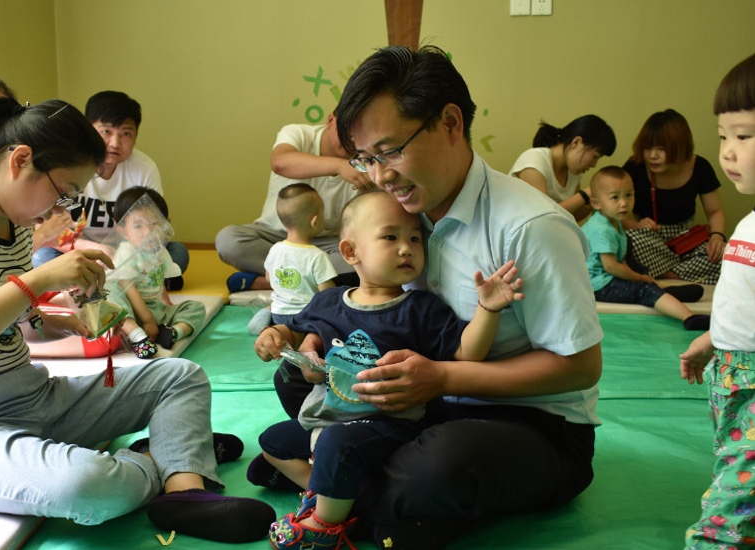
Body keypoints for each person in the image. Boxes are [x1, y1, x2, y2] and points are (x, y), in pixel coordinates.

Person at [0, 96, 274, 543]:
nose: (59, 209)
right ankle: (167, 455)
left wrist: (60, 322)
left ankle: (184, 490)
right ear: (20, 161)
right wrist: (38, 279)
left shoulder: (13, 224)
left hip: (27, 394)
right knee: (90, 486)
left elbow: (13, 327)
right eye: (63, 191)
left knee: (180, 375)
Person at [266, 44, 604, 549]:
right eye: (366, 159)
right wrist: (318, 342)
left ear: (449, 123)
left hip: (530, 423)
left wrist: (442, 377)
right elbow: (377, 310)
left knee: (439, 466)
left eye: (390, 151)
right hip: (426, 406)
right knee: (294, 374)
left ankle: (328, 481)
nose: (379, 176)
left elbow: (580, 367)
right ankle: (363, 492)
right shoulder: (403, 209)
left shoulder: (530, 227)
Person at [252, 190, 525, 549]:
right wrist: (274, 335)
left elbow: (467, 352)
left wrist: (487, 310)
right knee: (272, 443)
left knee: (335, 444)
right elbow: (295, 329)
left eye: (415, 239)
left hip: (392, 423)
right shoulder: (328, 301)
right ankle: (336, 497)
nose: (406, 248)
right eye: (391, 237)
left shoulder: (420, 308)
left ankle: (324, 528)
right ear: (351, 252)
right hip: (330, 416)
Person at [679, 52, 755, 550]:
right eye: (723, 135)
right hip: (731, 374)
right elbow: (745, 303)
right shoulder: (749, 223)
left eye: (744, 136)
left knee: (735, 494)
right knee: (735, 465)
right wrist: (713, 338)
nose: (727, 152)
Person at [32, 91, 189, 288]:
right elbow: (49, 234)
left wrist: (125, 253)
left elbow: (154, 224)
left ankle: (102, 282)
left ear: (136, 136)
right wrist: (96, 249)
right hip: (78, 249)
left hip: (129, 251)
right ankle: (141, 283)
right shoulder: (67, 165)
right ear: (88, 130)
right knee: (42, 256)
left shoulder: (145, 169)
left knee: (178, 252)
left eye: (126, 134)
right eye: (106, 131)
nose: (115, 143)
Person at [215, 112, 375, 292]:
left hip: (326, 243)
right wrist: (339, 165)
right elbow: (279, 162)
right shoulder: (298, 134)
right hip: (275, 236)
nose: (352, 140)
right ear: (330, 120)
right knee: (228, 240)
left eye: (360, 134)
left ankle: (270, 282)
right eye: (347, 131)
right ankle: (313, 280)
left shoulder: (367, 157)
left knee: (367, 258)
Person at [582, 166, 710, 330]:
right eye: (615, 197)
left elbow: (621, 261)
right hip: (597, 286)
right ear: (596, 203)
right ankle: (689, 317)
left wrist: (638, 274)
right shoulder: (601, 229)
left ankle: (663, 293)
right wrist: (640, 279)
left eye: (629, 195)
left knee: (638, 268)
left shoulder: (614, 221)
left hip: (606, 276)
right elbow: (611, 267)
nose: (624, 203)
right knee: (643, 289)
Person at [621, 109, 727, 285]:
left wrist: (717, 236)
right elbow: (615, 209)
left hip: (686, 241)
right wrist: (637, 225)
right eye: (648, 148)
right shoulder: (635, 166)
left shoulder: (700, 166)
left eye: (662, 149)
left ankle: (663, 274)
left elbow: (715, 211)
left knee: (726, 255)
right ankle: (683, 274)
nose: (653, 156)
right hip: (647, 239)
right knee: (626, 242)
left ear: (680, 147)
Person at [106, 187, 206, 359]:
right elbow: (128, 287)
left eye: (154, 223)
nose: (148, 232)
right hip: (132, 312)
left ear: (166, 224)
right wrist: (147, 321)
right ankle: (137, 336)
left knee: (196, 308)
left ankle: (173, 333)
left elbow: (159, 279)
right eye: (138, 226)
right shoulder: (127, 251)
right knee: (108, 291)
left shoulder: (160, 250)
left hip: (157, 311)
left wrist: (166, 305)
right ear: (123, 232)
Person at [246, 183, 338, 335]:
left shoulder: (275, 249)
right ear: (314, 221)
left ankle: (269, 318)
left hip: (279, 314)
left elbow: (269, 278)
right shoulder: (317, 256)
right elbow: (327, 293)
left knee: (280, 316)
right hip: (307, 317)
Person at [509, 115, 616, 220]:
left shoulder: (574, 172)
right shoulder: (534, 159)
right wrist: (585, 194)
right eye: (595, 157)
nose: (594, 165)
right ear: (576, 142)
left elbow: (571, 216)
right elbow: (543, 215)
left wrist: (593, 201)